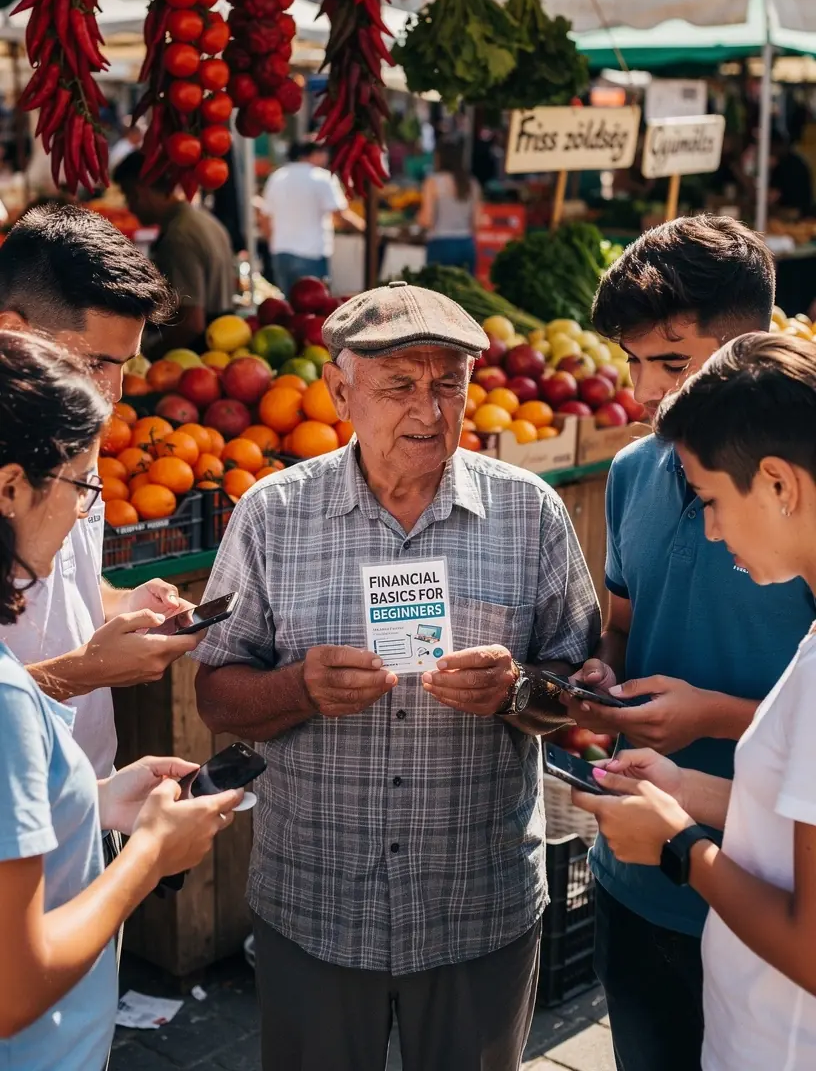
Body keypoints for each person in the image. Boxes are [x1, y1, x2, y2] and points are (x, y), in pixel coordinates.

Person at [193, 280, 600, 1071]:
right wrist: (298, 689)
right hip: (316, 906)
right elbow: (215, 694)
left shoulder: (530, 512)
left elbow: (578, 686)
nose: (430, 410)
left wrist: (517, 690)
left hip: (476, 910)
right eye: (400, 386)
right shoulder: (273, 514)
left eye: (449, 384)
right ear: (340, 392)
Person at [566, 216, 816, 1071]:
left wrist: (711, 716)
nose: (646, 391)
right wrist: (601, 679)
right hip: (637, 877)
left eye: (673, 364)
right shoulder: (631, 473)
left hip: (765, 892)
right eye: (632, 361)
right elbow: (623, 625)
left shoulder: (788, 506)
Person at [0, 328, 241, 1071]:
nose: (84, 512)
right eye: (80, 485)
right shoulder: (9, 699)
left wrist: (97, 802)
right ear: (10, 489)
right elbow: (15, 989)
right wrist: (148, 856)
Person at [0, 205, 206, 786]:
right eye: (94, 361)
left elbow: (69, 587)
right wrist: (84, 671)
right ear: (14, 331)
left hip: (87, 792)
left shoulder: (77, 439)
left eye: (126, 365)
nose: (114, 390)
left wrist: (125, 605)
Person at [113, 151, 235, 353]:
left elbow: (191, 325)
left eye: (128, 197)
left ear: (140, 191)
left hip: (199, 354)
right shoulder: (205, 221)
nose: (130, 208)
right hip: (222, 347)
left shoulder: (179, 236)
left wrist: (150, 356)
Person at [261, 141, 364, 297]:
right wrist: (366, 229)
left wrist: (274, 242)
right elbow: (340, 215)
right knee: (316, 306)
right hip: (311, 255)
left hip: (281, 254)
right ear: (315, 154)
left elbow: (264, 217)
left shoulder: (277, 177)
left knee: (286, 306)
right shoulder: (323, 178)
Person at [418, 139, 481, 272]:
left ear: (439, 158)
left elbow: (427, 220)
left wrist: (418, 218)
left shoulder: (433, 182)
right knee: (464, 285)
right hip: (466, 245)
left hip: (441, 245)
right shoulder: (472, 183)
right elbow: (477, 222)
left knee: (438, 285)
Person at [769, 131, 813, 220]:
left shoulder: (787, 165)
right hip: (798, 210)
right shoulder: (794, 161)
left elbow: (773, 196)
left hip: (795, 212)